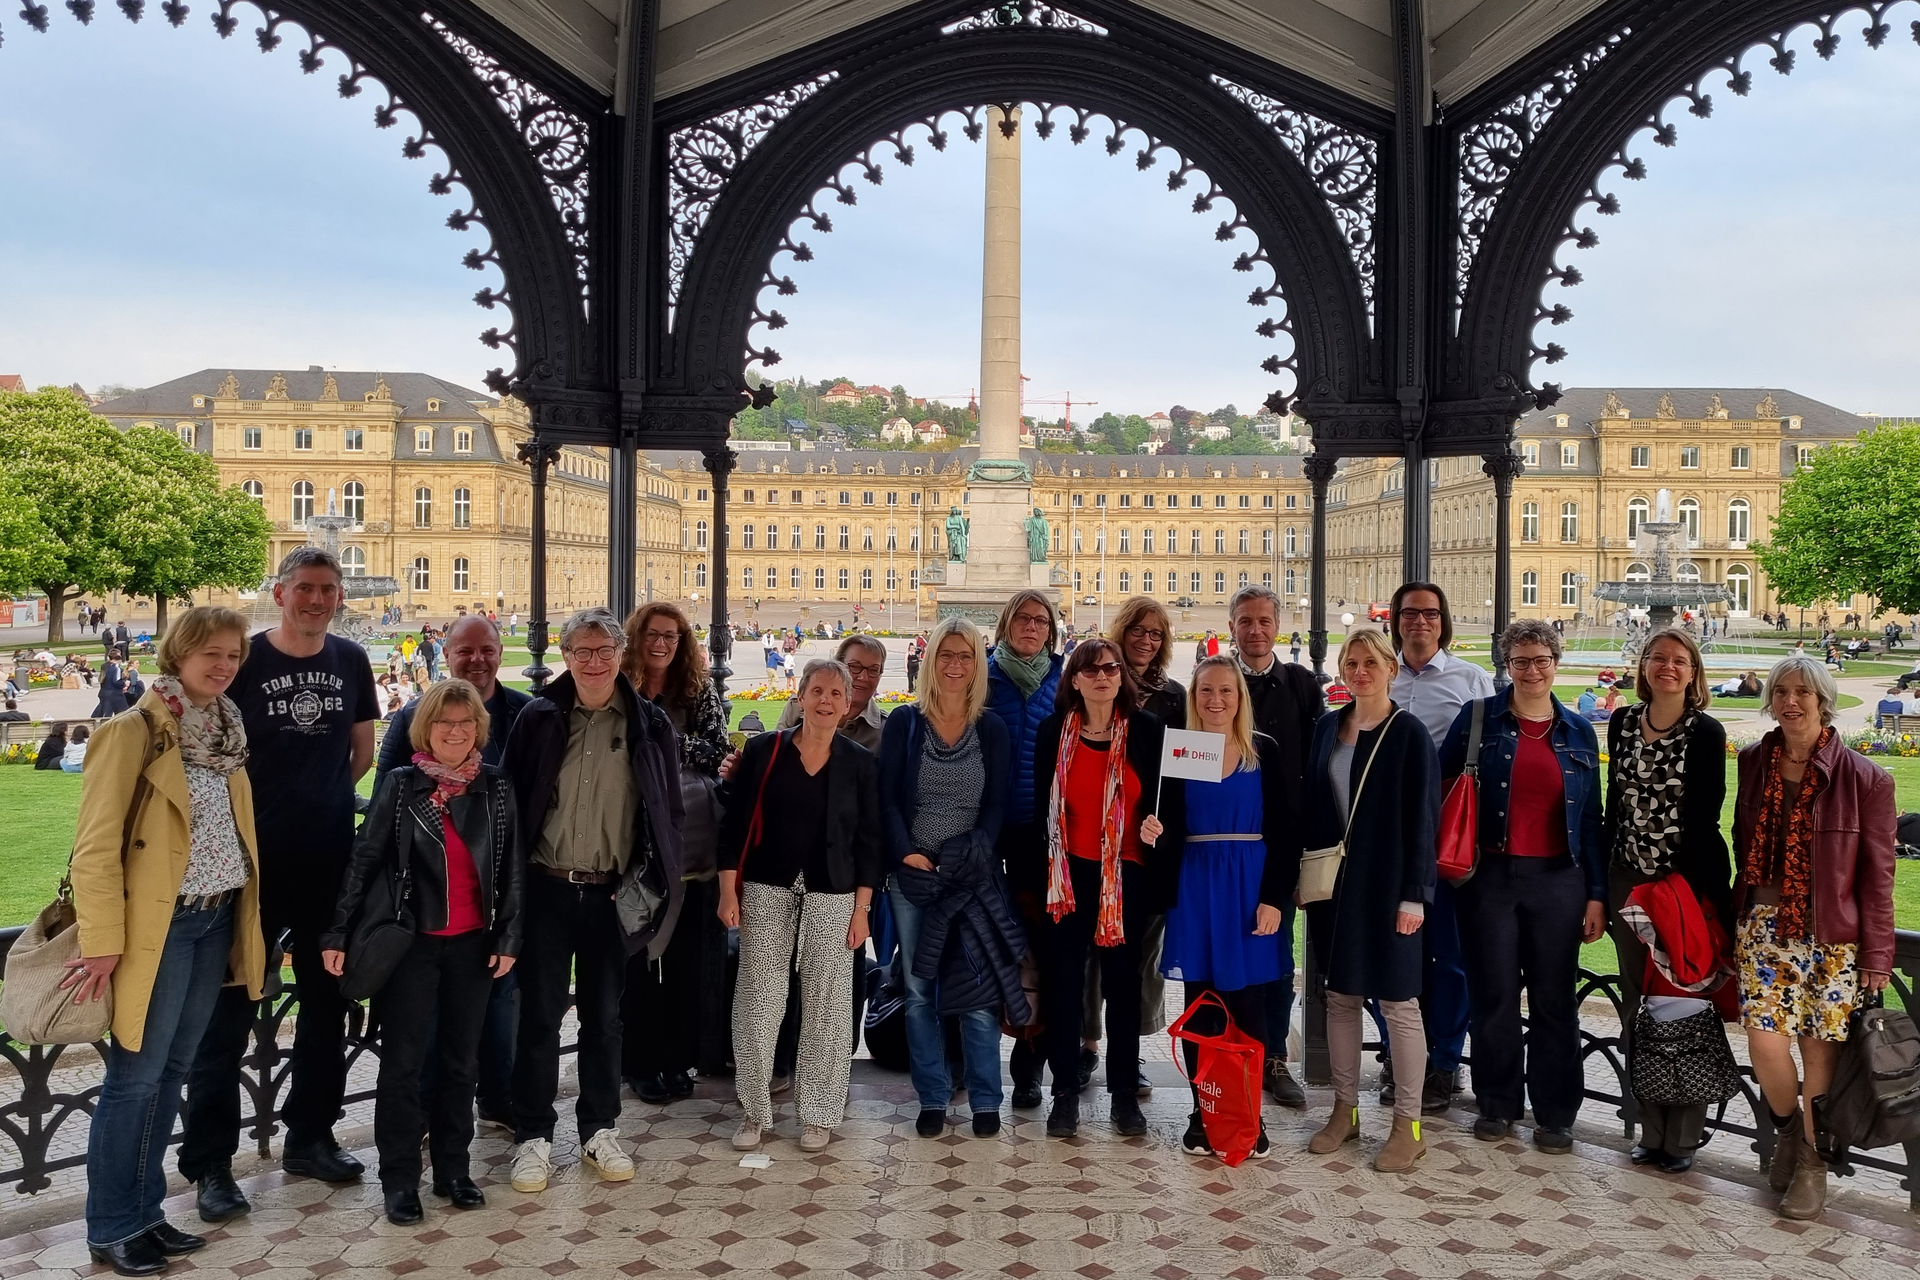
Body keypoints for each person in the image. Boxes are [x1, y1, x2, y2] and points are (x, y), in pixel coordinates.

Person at [178, 548, 380, 1222]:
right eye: (305, 589)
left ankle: (310, 1136)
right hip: (248, 867)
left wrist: (319, 800)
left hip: (328, 862)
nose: (317, 600)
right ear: (280, 591)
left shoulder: (351, 660)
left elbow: (362, 750)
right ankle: (210, 1164)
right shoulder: (249, 660)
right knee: (225, 1018)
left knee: (327, 1009)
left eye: (328, 589)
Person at [67, 608, 265, 1276]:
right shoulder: (135, 730)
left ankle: (146, 1214)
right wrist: (102, 941)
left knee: (173, 1073)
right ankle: (112, 1224)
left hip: (214, 920)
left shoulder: (224, 729)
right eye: (211, 653)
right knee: (134, 1079)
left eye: (233, 655)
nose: (223, 665)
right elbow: (94, 847)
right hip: (162, 927)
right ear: (178, 653)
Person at [321, 680, 522, 1224]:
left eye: (465, 723)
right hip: (412, 944)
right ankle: (400, 1180)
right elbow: (365, 858)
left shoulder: (497, 787)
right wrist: (337, 932)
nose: (455, 732)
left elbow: (512, 870)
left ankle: (453, 1171)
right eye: (444, 723)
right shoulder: (402, 785)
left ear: (478, 728)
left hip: (474, 946)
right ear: (425, 730)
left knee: (461, 1064)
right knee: (404, 1066)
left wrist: (507, 938)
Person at [499, 608, 685, 1195]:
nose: (594, 662)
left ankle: (598, 1129)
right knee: (539, 1016)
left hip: (612, 892)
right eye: (581, 651)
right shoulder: (540, 718)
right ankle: (532, 1133)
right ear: (565, 656)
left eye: (604, 650)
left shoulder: (648, 723)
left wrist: (656, 881)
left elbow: (668, 810)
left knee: (605, 1018)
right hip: (548, 887)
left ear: (620, 651)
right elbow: (511, 802)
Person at [1732, 653, 1896, 1220]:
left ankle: (1811, 1163)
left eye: (1803, 691)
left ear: (1823, 699)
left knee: (1816, 1054)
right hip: (1764, 927)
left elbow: (1878, 877)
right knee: (1764, 1043)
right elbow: (1742, 841)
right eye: (1781, 691)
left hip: (1832, 937)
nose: (1791, 702)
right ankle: (1788, 1134)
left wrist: (1877, 952)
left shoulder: (1867, 778)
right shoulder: (1754, 761)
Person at [1440, 619, 1606, 1154]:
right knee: (1495, 996)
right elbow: (1442, 789)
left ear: (1556, 664)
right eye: (1520, 661)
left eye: (1541, 660)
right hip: (1489, 877)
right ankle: (1497, 1103)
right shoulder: (1479, 718)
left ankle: (1556, 1113)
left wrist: (1597, 894)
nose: (1531, 671)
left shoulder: (1578, 729)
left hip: (1558, 881)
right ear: (1505, 666)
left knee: (1556, 1001)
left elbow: (1594, 820)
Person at [375, 615, 532, 1133]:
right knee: (428, 1017)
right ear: (446, 653)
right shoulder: (414, 716)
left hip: (493, 890)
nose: (478, 659)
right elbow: (389, 799)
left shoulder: (523, 712)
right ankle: (425, 1113)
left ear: (500, 653)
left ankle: (499, 1096)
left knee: (499, 1001)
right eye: (466, 651)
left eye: (487, 649)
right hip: (425, 897)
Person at [718, 659, 881, 1152]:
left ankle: (819, 1112)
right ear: (801, 696)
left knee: (828, 1005)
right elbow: (736, 825)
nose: (826, 701)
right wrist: (729, 891)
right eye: (817, 691)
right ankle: (753, 1111)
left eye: (836, 693)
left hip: (835, 892)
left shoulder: (859, 762)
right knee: (759, 1001)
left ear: (848, 700)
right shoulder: (767, 749)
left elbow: (871, 842)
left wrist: (862, 908)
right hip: (767, 886)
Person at [1301, 629, 1438, 1172]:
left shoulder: (1409, 735)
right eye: (1351, 662)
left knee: (1400, 1004)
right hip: (1335, 887)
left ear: (1391, 670)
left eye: (1371, 663)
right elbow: (1313, 809)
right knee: (1340, 998)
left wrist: (1415, 896)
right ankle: (1344, 1111)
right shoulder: (1327, 730)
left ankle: (1409, 1123)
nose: (1360, 671)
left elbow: (1424, 820)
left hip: (1390, 886)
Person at [1027, 638, 1172, 1140]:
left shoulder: (1148, 731)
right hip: (1068, 877)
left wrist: (1159, 825)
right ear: (1075, 681)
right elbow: (1044, 808)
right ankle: (1064, 1093)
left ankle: (1124, 1096)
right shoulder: (1054, 733)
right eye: (1091, 671)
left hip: (1124, 877)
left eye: (1111, 668)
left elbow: (1166, 799)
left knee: (1123, 989)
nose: (1103, 677)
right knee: (1065, 987)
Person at [1601, 627, 1729, 1174]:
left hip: (1681, 890)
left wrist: (1696, 898)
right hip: (1628, 884)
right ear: (1644, 667)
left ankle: (1683, 1138)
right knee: (1638, 1007)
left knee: (1684, 1007)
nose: (1667, 667)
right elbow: (1614, 806)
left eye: (1679, 660)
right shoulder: (1624, 722)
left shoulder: (1705, 731)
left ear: (1693, 672)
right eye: (1658, 658)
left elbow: (1704, 816)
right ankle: (1650, 1128)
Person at [879, 618, 1013, 1138]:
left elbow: (997, 805)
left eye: (966, 656)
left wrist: (973, 853)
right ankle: (932, 1096)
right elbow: (888, 798)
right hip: (913, 878)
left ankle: (984, 1100)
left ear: (978, 665)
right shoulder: (905, 723)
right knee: (917, 989)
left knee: (977, 994)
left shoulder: (992, 727)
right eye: (945, 655)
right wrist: (907, 854)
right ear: (929, 660)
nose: (955, 665)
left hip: (972, 878)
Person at [1155, 656, 1293, 1159]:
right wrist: (1155, 833)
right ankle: (1204, 1111)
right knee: (1202, 1004)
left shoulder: (1264, 751)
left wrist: (1274, 898)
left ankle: (1248, 1114)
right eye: (1206, 691)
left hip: (1249, 882)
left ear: (1240, 699)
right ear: (1194, 697)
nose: (1215, 701)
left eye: (1226, 692)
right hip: (1197, 883)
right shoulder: (1186, 750)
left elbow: (1285, 831)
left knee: (1249, 1007)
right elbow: (1168, 823)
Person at [1384, 582, 1493, 1116]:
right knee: (1389, 951)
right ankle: (1399, 1058)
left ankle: (1445, 1063)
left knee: (1449, 958)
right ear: (1396, 621)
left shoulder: (1471, 680)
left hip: (1444, 835)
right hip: (1387, 837)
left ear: (1443, 621)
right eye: (1410, 613)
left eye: (1429, 613)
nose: (1419, 622)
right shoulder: (1379, 673)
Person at [619, 604, 731, 1104]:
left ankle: (678, 1055)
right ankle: (639, 1059)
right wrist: (678, 747)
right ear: (637, 638)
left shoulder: (696, 688)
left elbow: (718, 750)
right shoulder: (621, 685)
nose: (662, 643)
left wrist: (660, 745)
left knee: (688, 955)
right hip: (633, 842)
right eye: (653, 634)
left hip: (691, 840)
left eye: (672, 635)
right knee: (639, 952)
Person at [1229, 585, 1323, 1107]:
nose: (1256, 630)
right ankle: (1231, 1050)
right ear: (1232, 628)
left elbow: (1318, 766)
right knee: (1227, 951)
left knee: (1277, 956)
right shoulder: (1213, 683)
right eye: (1246, 621)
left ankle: (1272, 1057)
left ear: (1278, 626)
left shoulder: (1302, 686)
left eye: (1265, 620)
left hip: (1281, 842)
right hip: (1221, 844)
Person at [985, 590, 1065, 1106]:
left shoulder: (1063, 679)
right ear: (1006, 624)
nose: (1032, 627)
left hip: (1042, 833)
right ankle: (971, 1056)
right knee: (984, 941)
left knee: (1037, 948)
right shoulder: (982, 674)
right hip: (988, 832)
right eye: (1022, 618)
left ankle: (1029, 1062)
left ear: (1051, 631)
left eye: (1041, 620)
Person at [775, 634, 889, 750]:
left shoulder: (887, 729)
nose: (863, 677)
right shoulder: (797, 707)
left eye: (874, 670)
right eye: (855, 666)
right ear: (837, 667)